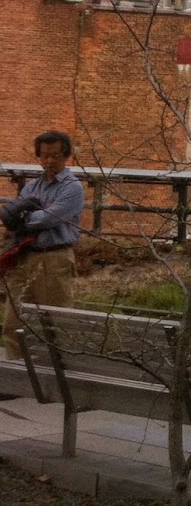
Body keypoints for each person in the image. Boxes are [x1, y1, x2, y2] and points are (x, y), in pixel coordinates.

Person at [1, 131, 83, 360]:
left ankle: (59, 376)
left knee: (56, 322)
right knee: (13, 320)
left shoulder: (72, 187)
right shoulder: (31, 187)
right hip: (24, 256)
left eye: (55, 155)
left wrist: (23, 219)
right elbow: (12, 221)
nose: (49, 161)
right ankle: (15, 376)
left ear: (66, 156)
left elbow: (49, 218)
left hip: (53, 259)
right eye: (45, 155)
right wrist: (21, 220)